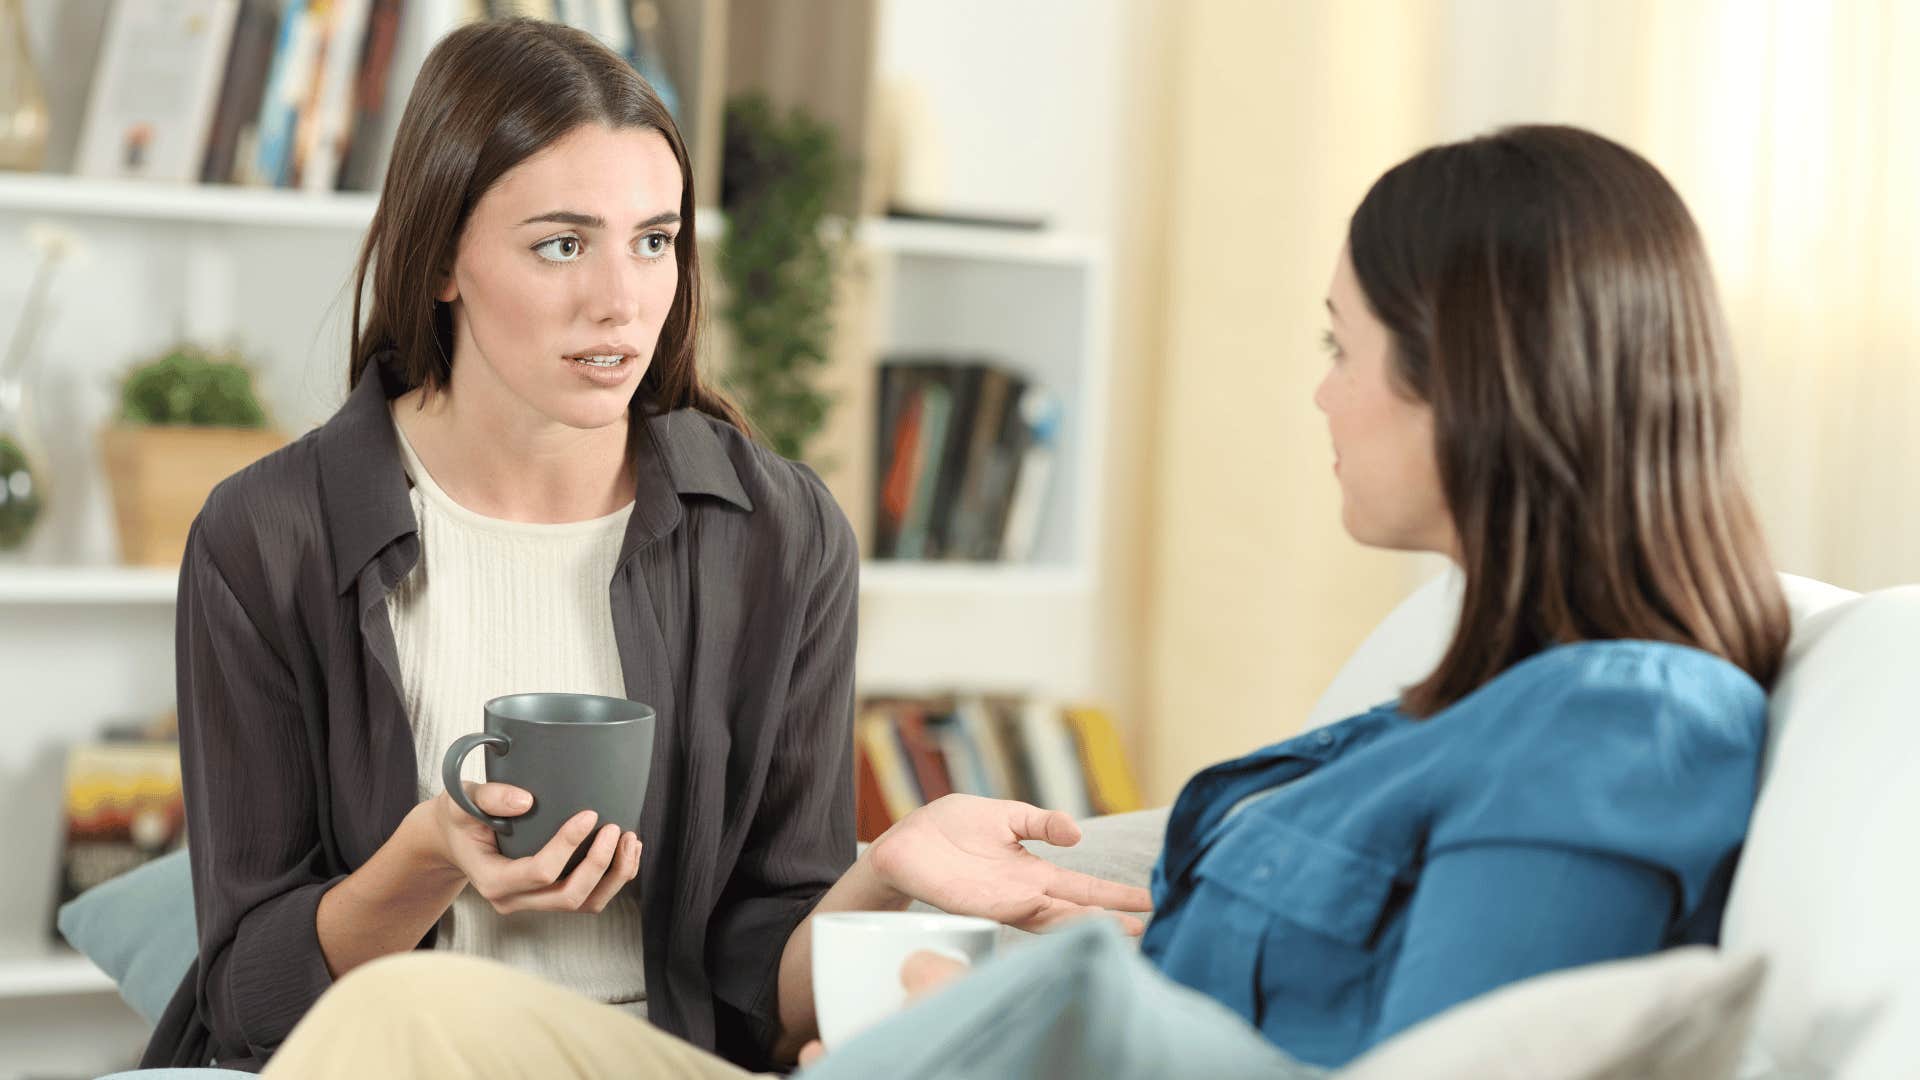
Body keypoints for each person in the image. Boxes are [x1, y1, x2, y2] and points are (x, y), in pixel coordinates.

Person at [254, 116, 1792, 1080]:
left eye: (1341, 346)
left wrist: (972, 1013)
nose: (1319, 398)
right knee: (396, 1031)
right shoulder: (1443, 704)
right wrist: (915, 917)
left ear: (1472, 384)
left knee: (399, 1038)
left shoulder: (1622, 728)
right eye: (562, 244)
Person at [143, 18, 1149, 1074]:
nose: (621, 300)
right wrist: (426, 858)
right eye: (562, 244)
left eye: (654, 240)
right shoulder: (269, 536)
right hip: (386, 1053)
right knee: (406, 1021)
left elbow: (767, 984)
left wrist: (885, 873)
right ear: (440, 258)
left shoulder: (778, 535)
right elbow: (251, 1000)